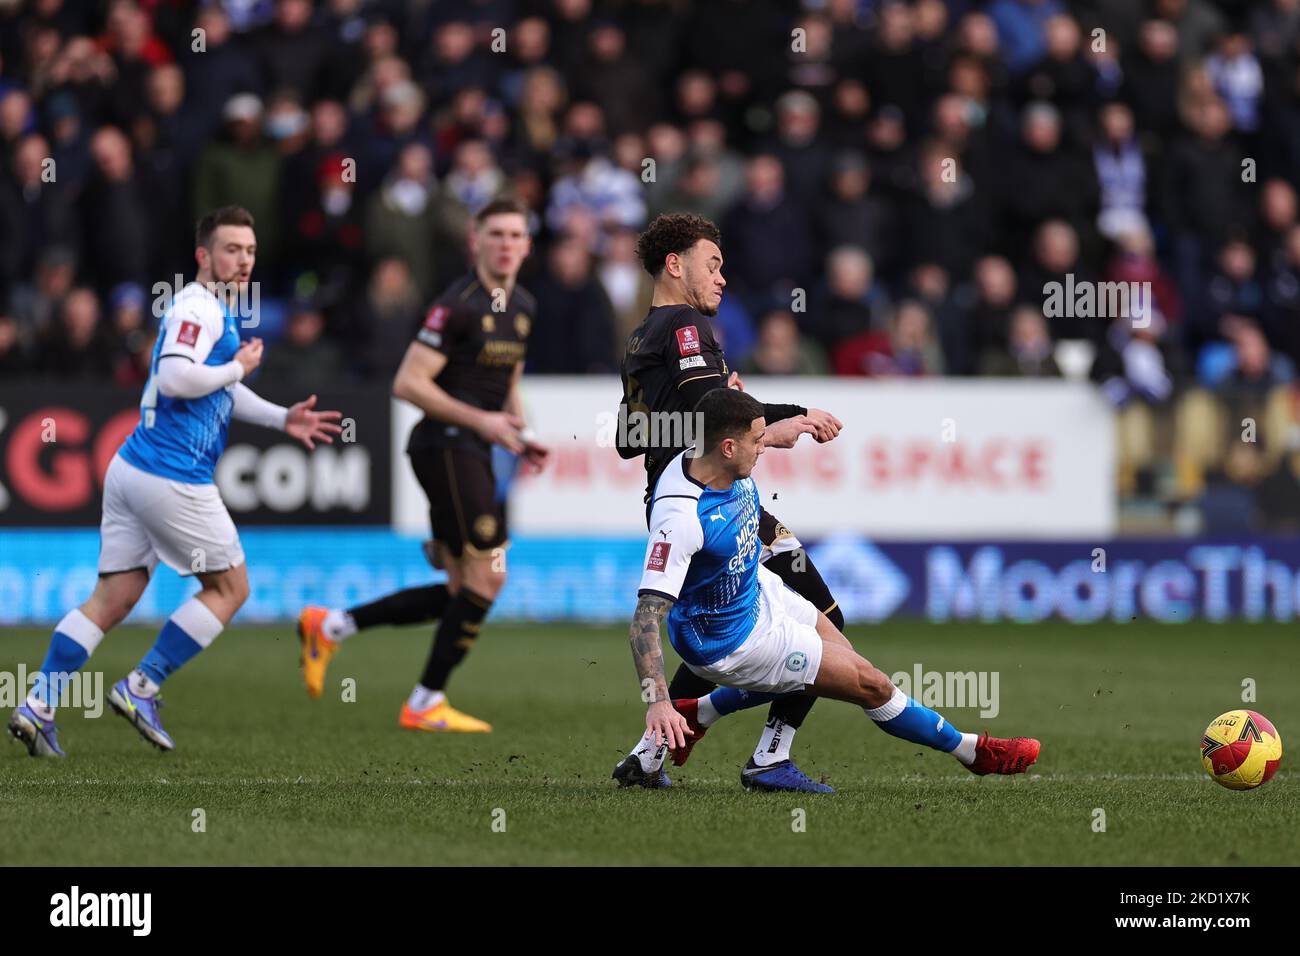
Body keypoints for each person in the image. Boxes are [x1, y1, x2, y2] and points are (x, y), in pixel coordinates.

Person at [8, 206, 342, 756]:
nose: (243, 260)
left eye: (250, 251)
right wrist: (239, 367)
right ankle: (142, 686)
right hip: (170, 474)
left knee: (115, 596)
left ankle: (38, 704)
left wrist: (283, 418)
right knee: (232, 589)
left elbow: (217, 390)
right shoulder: (197, 306)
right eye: (231, 249)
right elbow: (176, 375)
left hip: (131, 468)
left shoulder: (212, 311)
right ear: (203, 256)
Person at [628, 389, 1041, 784]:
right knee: (870, 683)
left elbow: (734, 432)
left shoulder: (711, 456)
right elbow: (644, 620)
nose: (764, 447)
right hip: (730, 644)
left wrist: (785, 427)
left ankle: (701, 714)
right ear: (729, 448)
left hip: (756, 593)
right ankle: (972, 752)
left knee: (839, 652)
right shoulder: (681, 519)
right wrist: (658, 700)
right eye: (758, 440)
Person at [611, 212, 846, 793]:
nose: (722, 277)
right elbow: (713, 403)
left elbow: (627, 440)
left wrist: (752, 420)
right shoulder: (686, 325)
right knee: (824, 622)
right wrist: (787, 416)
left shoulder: (642, 337)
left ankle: (648, 756)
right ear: (675, 264)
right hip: (710, 506)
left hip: (683, 504)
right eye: (712, 264)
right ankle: (770, 757)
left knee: (722, 636)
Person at [297, 196, 549, 733]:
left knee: (464, 588)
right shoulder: (455, 304)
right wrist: (482, 423)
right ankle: (425, 700)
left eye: (515, 235)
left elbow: (507, 381)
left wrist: (520, 435)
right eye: (496, 234)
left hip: (473, 447)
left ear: (527, 245)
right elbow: (408, 383)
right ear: (474, 241)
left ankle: (332, 625)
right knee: (489, 577)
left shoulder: (523, 305)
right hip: (446, 445)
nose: (506, 244)